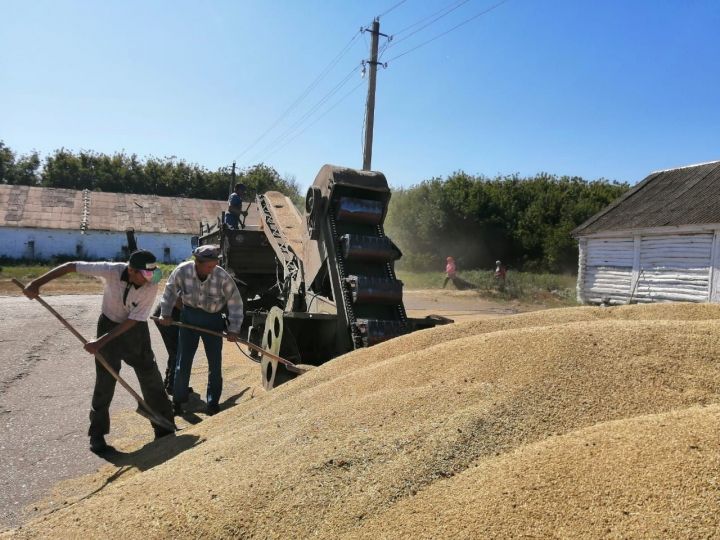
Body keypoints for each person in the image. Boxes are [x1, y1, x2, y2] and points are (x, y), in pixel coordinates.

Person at [22, 250, 175, 454]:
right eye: (145, 274)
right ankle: (97, 434)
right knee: (105, 380)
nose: (151, 279)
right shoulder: (111, 270)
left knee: (150, 376)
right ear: (131, 271)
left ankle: (164, 426)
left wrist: (100, 342)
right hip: (108, 322)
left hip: (134, 330)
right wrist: (36, 284)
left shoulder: (151, 284)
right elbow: (70, 266)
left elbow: (133, 320)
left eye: (153, 273)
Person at [158, 245, 243, 416]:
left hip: (212, 321)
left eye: (215, 265)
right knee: (183, 362)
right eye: (209, 266)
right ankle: (178, 402)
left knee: (215, 363)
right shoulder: (182, 271)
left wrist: (234, 328)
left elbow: (235, 302)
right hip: (188, 318)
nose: (213, 269)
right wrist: (165, 314)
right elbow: (169, 292)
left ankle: (212, 403)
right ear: (197, 262)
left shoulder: (221, 276)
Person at [151, 297, 182, 394]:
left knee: (174, 351)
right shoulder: (184, 281)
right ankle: (172, 386)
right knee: (177, 352)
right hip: (166, 316)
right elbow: (177, 300)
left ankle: (169, 382)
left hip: (171, 314)